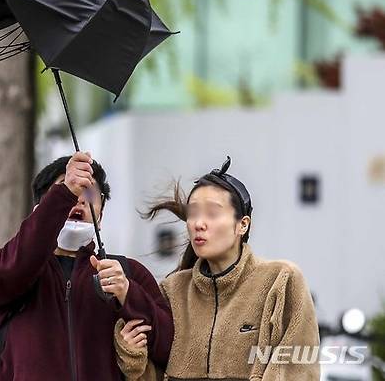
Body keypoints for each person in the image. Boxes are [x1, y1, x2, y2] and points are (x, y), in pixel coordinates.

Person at [116, 157, 320, 380]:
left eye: (212, 213)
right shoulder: (172, 291)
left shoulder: (281, 280)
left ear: (242, 224)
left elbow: (297, 370)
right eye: (193, 213)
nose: (198, 223)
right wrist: (134, 359)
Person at [0, 152, 174, 381]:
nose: (78, 198)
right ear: (39, 209)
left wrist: (129, 295)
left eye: (88, 192)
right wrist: (62, 197)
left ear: (101, 215)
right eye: (67, 189)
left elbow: (171, 350)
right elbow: (20, 261)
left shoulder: (129, 274)